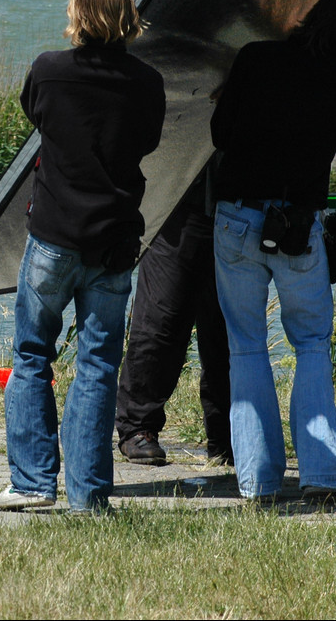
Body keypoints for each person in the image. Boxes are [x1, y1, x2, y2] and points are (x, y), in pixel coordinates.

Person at [0, 0, 166, 514]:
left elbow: (34, 113)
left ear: (76, 14)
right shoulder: (146, 82)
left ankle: (33, 483)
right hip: (113, 241)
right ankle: (89, 495)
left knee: (31, 355)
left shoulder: (49, 70)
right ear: (127, 18)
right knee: (97, 365)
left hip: (53, 237)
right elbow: (150, 141)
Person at [210, 0, 336, 501]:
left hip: (237, 216)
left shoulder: (256, 58)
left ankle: (259, 480)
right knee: (310, 344)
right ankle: (323, 473)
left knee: (245, 346)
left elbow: (221, 133)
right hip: (298, 227)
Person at [114, 164, 232, 466]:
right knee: (161, 322)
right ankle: (137, 427)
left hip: (239, 201)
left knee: (232, 330)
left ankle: (228, 438)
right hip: (179, 201)